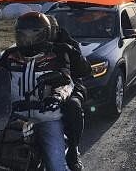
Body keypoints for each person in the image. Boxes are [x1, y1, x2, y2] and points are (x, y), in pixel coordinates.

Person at [0, 11, 72, 171]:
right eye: (23, 35)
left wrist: (57, 97)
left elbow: (66, 81)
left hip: (46, 118)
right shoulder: (9, 56)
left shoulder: (56, 54)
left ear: (45, 34)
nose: (27, 39)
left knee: (57, 165)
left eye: (33, 35)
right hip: (13, 119)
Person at [47, 14, 92, 171]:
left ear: (54, 30)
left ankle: (73, 149)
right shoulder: (28, 46)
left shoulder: (67, 44)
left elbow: (85, 70)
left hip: (69, 85)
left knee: (73, 106)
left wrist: (72, 51)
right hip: (37, 86)